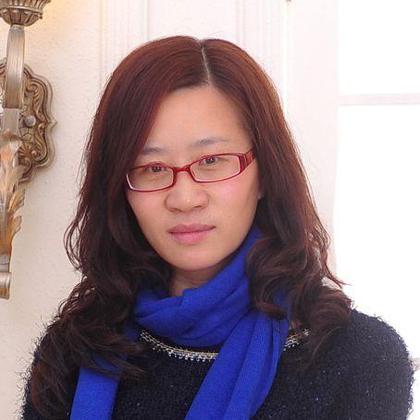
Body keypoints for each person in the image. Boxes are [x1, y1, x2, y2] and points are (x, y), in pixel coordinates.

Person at [22, 35, 414, 420]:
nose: (184, 198)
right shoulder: (73, 350)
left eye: (212, 161)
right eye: (152, 168)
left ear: (265, 173)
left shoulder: (359, 359)